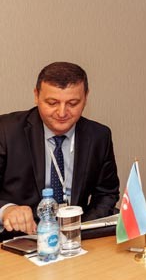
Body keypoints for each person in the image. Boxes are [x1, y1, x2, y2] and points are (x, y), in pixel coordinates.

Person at [0, 62, 120, 240]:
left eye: (73, 103)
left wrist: (80, 229)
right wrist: (6, 209)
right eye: (52, 103)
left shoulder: (98, 136)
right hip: (17, 240)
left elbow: (106, 194)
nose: (62, 113)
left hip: (74, 241)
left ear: (86, 98)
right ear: (36, 96)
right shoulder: (5, 131)